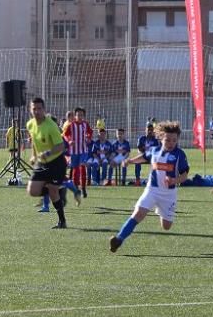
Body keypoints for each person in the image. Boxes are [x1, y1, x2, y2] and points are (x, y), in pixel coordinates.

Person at [110, 121, 189, 253]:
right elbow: (144, 157)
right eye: (167, 140)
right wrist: (131, 161)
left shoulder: (179, 154)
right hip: (151, 190)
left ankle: (160, 210)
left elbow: (185, 175)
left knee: (166, 226)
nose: (171, 143)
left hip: (168, 195)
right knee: (138, 214)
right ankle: (119, 239)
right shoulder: (154, 151)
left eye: (174, 140)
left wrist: (174, 180)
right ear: (160, 138)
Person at [26, 97, 70, 228]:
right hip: (42, 162)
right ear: (30, 110)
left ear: (44, 110)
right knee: (32, 191)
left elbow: (61, 146)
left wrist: (48, 153)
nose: (37, 111)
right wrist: (34, 155)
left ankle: (62, 221)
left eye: (39, 108)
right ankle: (58, 189)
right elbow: (34, 140)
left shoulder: (51, 125)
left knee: (52, 191)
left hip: (56, 163)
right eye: (34, 109)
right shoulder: (30, 124)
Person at [63, 107, 93, 198]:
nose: (80, 117)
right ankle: (76, 188)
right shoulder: (71, 125)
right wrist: (69, 141)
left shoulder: (85, 124)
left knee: (82, 166)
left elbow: (90, 132)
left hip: (83, 150)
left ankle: (83, 187)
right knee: (75, 169)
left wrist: (88, 138)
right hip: (74, 151)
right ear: (75, 116)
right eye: (78, 115)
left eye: (81, 115)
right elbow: (65, 134)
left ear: (83, 116)